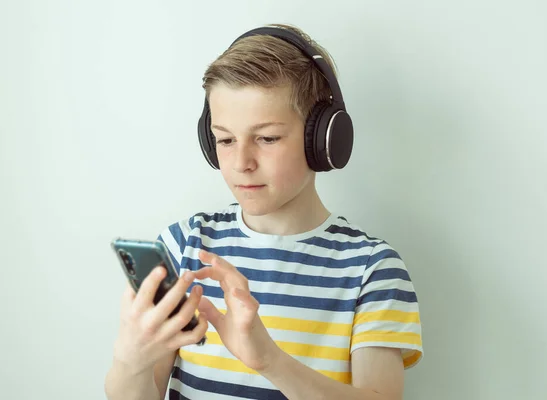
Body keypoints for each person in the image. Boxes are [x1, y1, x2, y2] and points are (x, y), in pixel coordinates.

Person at [105, 23, 423, 400]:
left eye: (267, 138)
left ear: (323, 140)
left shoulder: (372, 269)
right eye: (225, 139)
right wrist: (130, 361)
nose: (241, 162)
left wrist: (269, 360)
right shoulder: (185, 244)